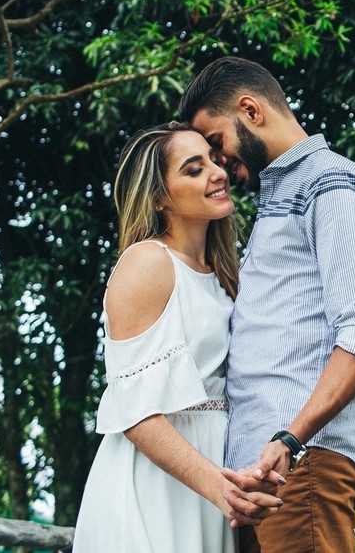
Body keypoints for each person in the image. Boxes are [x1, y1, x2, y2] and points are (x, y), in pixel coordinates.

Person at [179, 57, 355, 553]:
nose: (219, 166)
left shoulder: (331, 184)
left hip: (301, 465)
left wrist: (289, 440)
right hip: (262, 475)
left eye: (216, 145)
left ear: (250, 110)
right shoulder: (279, 199)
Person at [74, 122, 283, 552]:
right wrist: (223, 491)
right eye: (193, 169)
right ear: (158, 197)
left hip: (213, 479)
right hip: (156, 484)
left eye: (212, 159)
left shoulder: (226, 275)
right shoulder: (148, 263)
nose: (217, 172)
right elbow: (135, 412)